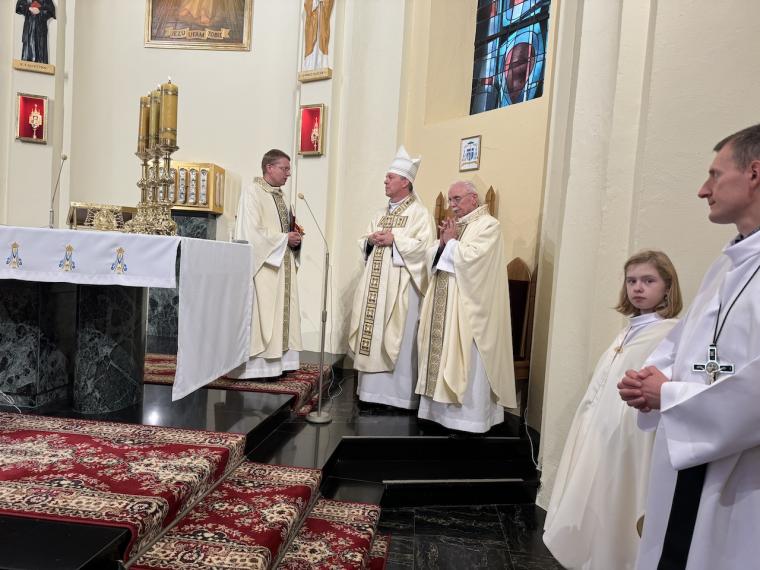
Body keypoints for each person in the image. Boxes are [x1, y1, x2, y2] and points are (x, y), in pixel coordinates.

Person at [619, 124, 760, 570]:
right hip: (691, 454)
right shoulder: (729, 262)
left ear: (754, 173)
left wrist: (669, 394)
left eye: (715, 175)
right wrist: (651, 376)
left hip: (743, 473)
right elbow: (687, 338)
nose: (703, 189)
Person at [543, 251, 682, 570]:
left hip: (631, 431)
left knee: (620, 495)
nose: (638, 288)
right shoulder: (629, 329)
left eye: (648, 281)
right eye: (631, 281)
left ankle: (615, 558)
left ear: (668, 287)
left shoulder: (670, 332)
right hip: (601, 425)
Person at [415, 180, 516, 432]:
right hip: (444, 306)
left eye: (457, 199)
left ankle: (469, 421)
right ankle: (436, 415)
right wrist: (442, 244)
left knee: (467, 356)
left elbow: (475, 261)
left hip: (468, 310)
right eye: (450, 200)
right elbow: (432, 256)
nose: (452, 205)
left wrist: (450, 243)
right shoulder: (456, 226)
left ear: (473, 198)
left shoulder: (489, 226)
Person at [348, 145, 434, 409]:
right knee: (372, 335)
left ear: (405, 181)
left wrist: (395, 240)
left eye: (390, 177)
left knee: (399, 338)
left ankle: (398, 398)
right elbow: (363, 242)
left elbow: (425, 248)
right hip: (375, 288)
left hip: (402, 290)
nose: (385, 181)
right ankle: (369, 393)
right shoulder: (380, 214)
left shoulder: (419, 214)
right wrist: (371, 240)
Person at [230, 149, 302, 379]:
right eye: (284, 168)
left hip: (282, 266)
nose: (288, 174)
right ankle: (257, 368)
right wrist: (284, 239)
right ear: (269, 168)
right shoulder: (252, 192)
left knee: (281, 315)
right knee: (263, 316)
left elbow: (285, 230)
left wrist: (295, 239)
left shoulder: (281, 197)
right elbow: (251, 232)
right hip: (263, 268)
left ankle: (280, 364)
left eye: (289, 169)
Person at [16, 0, 56, 64]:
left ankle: (40, 63)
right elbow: (19, 7)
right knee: (28, 50)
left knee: (40, 50)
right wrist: (29, 8)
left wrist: (40, 11)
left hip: (40, 28)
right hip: (29, 26)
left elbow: (51, 11)